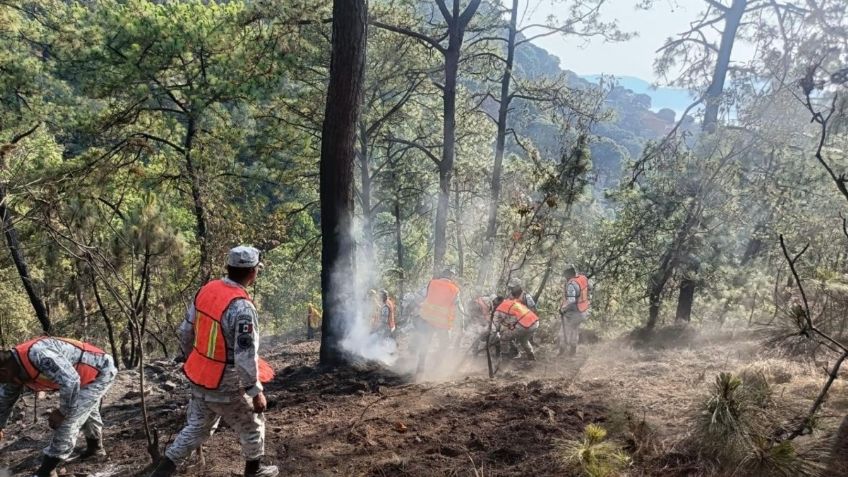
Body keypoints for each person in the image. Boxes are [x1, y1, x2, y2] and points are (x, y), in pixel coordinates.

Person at [149, 246, 278, 477]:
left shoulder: (207, 290)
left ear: (228, 267)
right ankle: (254, 470)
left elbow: (186, 332)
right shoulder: (242, 308)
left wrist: (193, 361)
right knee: (252, 423)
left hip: (200, 377)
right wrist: (255, 391)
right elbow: (245, 355)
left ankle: (162, 470)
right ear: (252, 272)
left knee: (197, 428)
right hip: (227, 382)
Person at [0, 336, 117, 477]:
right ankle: (95, 449)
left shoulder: (39, 354)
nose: (3, 383)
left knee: (69, 419)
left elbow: (71, 381)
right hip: (81, 376)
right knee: (86, 410)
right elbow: (5, 400)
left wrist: (62, 412)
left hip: (100, 371)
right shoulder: (12, 369)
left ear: (3, 372)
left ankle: (46, 471)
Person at [414, 269, 464, 376]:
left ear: (442, 274)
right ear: (452, 277)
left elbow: (419, 296)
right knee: (444, 345)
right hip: (443, 323)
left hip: (427, 320)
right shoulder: (455, 290)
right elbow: (457, 305)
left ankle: (420, 368)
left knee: (425, 344)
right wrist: (462, 323)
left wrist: (421, 307)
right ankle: (436, 368)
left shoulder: (432, 283)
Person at [494, 288, 540, 361]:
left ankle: (505, 359)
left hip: (525, 324)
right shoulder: (512, 302)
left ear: (496, 305)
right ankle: (531, 356)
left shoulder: (499, 309)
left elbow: (496, 325)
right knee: (523, 340)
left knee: (504, 337)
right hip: (535, 322)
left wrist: (498, 330)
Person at [559, 264, 591, 356]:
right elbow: (589, 288)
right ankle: (573, 351)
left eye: (565, 275)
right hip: (583, 311)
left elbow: (571, 300)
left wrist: (563, 309)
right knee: (574, 330)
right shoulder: (583, 278)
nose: (564, 277)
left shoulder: (571, 284)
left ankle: (561, 352)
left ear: (568, 274)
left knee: (563, 331)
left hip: (574, 312)